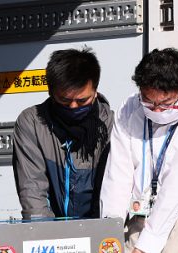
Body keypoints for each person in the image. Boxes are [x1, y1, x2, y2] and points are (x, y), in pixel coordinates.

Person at [100, 48, 178, 253]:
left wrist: (145, 248)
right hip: (138, 219)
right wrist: (109, 233)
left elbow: (176, 190)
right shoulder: (130, 108)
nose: (156, 111)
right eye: (149, 102)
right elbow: (117, 175)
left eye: (166, 104)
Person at [13, 48, 113, 219]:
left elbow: (113, 190)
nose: (73, 107)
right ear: (51, 92)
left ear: (95, 91)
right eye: (64, 100)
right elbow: (32, 190)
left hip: (99, 228)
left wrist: (100, 231)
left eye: (82, 100)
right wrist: (47, 236)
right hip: (52, 232)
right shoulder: (32, 122)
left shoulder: (111, 125)